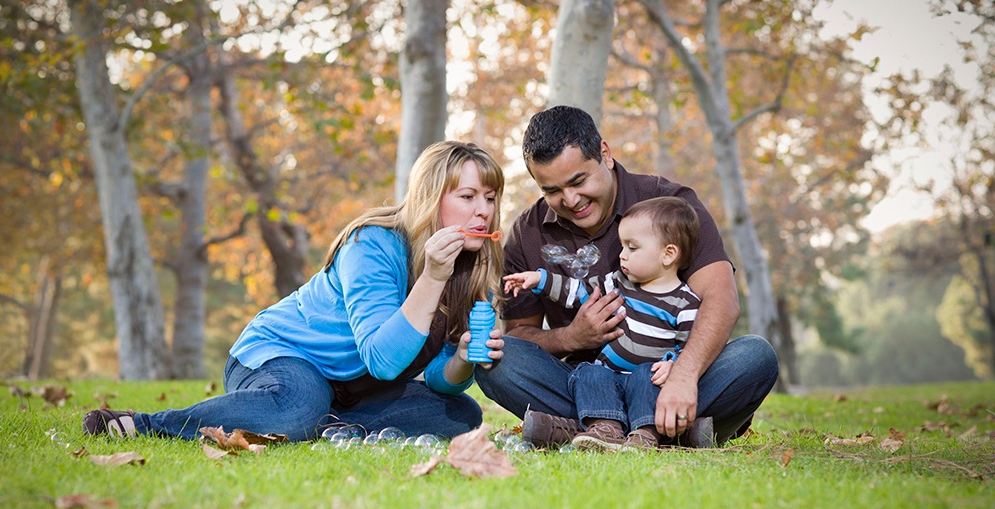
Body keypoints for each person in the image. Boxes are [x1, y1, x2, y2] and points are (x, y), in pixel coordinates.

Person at [83, 141, 507, 442]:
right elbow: (383, 359)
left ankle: (320, 425)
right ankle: (148, 424)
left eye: (490, 197)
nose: (482, 210)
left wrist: (461, 360)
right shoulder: (374, 243)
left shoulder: (471, 267)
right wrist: (432, 278)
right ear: (431, 198)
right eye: (467, 195)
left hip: (351, 389)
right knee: (297, 406)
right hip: (281, 357)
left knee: (460, 414)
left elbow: (436, 377)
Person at [474, 105, 778, 448]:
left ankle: (584, 432)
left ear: (605, 154)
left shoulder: (672, 205)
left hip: (664, 378)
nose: (571, 200)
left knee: (756, 356)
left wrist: (683, 375)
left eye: (578, 181)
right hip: (585, 384)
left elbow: (721, 300)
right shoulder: (528, 233)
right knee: (496, 359)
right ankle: (651, 434)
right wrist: (570, 338)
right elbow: (519, 334)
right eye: (552, 190)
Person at [503, 196, 704, 450]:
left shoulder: (685, 302)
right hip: (610, 374)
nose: (622, 256)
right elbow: (577, 290)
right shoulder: (619, 282)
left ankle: (645, 433)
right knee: (590, 372)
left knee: (647, 376)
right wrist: (539, 280)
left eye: (632, 248)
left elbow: (687, 347)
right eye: (622, 246)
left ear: (668, 254)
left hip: (646, 380)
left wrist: (674, 365)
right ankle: (605, 428)